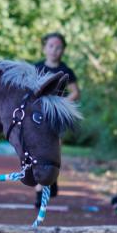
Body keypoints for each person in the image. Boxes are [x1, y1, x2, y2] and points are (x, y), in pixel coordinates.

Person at [32, 31, 79, 207]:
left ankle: (52, 178)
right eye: (51, 46)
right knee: (38, 152)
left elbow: (75, 92)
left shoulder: (66, 70)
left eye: (58, 47)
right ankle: (39, 192)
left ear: (63, 50)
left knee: (54, 150)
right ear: (44, 48)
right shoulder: (36, 68)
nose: (54, 50)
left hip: (56, 117)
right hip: (38, 116)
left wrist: (59, 104)